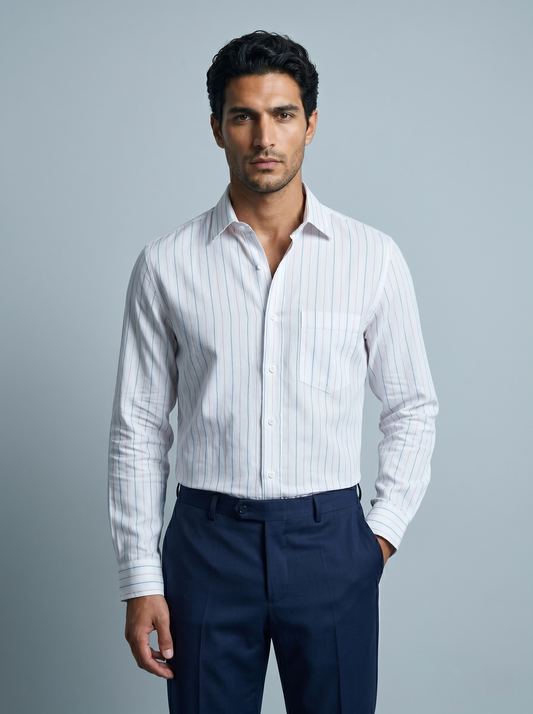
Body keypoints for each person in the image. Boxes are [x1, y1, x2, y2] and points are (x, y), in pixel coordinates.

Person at [109, 30, 438, 714]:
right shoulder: (166, 264)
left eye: (283, 115)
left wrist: (378, 537)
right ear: (216, 128)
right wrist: (141, 578)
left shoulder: (372, 258)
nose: (265, 137)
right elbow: (138, 427)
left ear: (310, 124)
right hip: (205, 548)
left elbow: (411, 405)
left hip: (331, 544)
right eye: (244, 116)